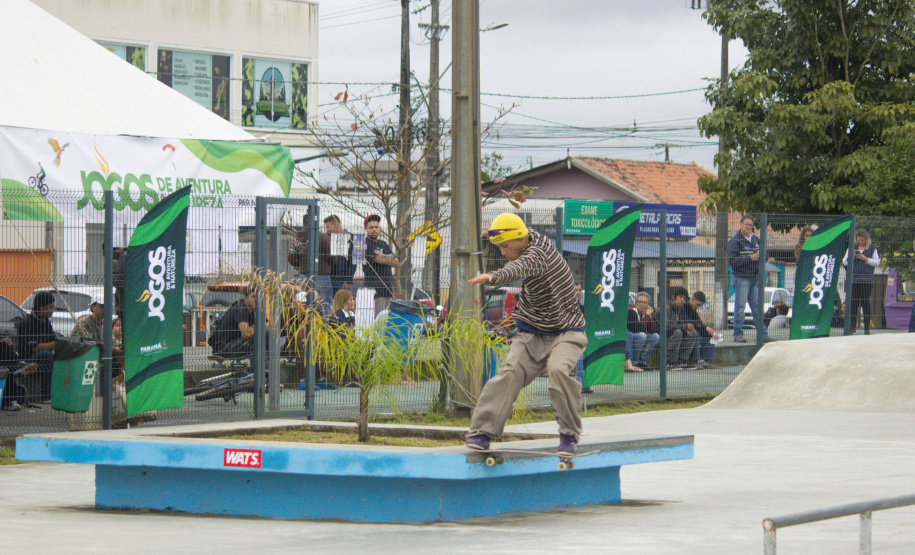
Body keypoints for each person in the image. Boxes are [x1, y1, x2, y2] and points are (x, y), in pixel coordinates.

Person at [465, 213, 586, 456]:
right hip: (531, 332)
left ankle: (569, 435)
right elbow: (514, 229)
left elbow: (520, 266)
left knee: (558, 371)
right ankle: (481, 432)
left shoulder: (540, 254)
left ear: (521, 240)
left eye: (506, 247)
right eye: (500, 247)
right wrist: (493, 232)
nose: (503, 252)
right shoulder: (523, 235)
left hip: (566, 331)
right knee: (510, 373)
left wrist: (494, 276)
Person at [727, 215, 771, 343]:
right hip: (741, 278)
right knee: (740, 307)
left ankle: (763, 335)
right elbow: (733, 261)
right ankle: (738, 335)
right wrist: (750, 258)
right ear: (740, 225)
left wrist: (761, 256)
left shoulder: (756, 239)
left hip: (755, 278)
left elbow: (766, 255)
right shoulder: (735, 241)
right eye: (746, 224)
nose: (748, 227)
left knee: (757, 308)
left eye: (750, 225)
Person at [16, 291, 57, 402]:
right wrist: (55, 344)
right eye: (51, 307)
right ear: (41, 308)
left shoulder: (46, 321)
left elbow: (53, 339)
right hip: (27, 360)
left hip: (41, 358)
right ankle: (46, 395)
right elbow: (33, 348)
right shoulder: (27, 323)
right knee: (46, 355)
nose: (53, 310)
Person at [359, 215, 399, 316]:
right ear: (366, 229)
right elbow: (379, 259)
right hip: (375, 290)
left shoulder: (383, 243)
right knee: (378, 322)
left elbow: (396, 262)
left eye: (376, 227)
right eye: (371, 227)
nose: (374, 230)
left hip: (387, 289)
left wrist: (383, 256)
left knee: (386, 323)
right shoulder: (364, 244)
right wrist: (389, 257)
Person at [843, 229, 880, 335]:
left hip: (866, 280)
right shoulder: (851, 248)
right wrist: (853, 257)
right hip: (853, 280)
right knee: (853, 303)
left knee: (865, 303)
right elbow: (844, 261)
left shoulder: (872, 249)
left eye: (863, 240)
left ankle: (867, 328)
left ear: (867, 240)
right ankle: (852, 327)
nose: (861, 243)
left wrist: (865, 258)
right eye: (859, 240)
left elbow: (877, 262)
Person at [208, 285, 259, 360]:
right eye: (254, 296)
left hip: (234, 344)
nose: (257, 300)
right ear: (246, 297)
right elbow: (246, 333)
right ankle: (255, 370)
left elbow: (267, 327)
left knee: (265, 338)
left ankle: (267, 369)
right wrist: (259, 326)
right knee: (255, 340)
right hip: (222, 348)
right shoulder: (241, 308)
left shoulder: (256, 309)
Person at [681, 291, 716, 369]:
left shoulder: (693, 309)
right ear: (693, 299)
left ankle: (705, 359)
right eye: (698, 305)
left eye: (700, 305)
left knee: (710, 334)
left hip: (692, 330)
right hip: (684, 331)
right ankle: (696, 360)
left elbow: (698, 321)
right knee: (695, 333)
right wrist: (703, 327)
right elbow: (686, 321)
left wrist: (706, 328)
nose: (698, 307)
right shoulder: (683, 306)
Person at [664, 286, 697, 369]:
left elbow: (682, 323)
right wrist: (685, 326)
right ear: (673, 297)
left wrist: (687, 328)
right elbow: (666, 326)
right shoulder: (666, 309)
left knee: (692, 333)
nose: (682, 300)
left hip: (674, 337)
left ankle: (682, 361)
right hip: (662, 338)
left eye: (684, 298)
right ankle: (669, 362)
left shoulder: (679, 309)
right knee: (678, 332)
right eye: (680, 297)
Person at [626, 292, 659, 371]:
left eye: (645, 303)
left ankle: (643, 361)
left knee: (656, 336)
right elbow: (638, 329)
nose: (643, 304)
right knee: (642, 335)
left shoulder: (646, 313)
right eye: (640, 302)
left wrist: (649, 317)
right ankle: (635, 362)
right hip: (631, 337)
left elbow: (652, 330)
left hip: (640, 339)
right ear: (636, 303)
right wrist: (647, 316)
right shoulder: (631, 311)